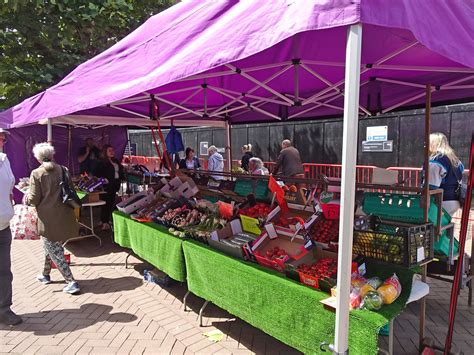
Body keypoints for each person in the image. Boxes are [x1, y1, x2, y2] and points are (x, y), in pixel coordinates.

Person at [27, 143, 80, 295]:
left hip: (47, 218)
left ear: (38, 158)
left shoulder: (36, 173)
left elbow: (34, 199)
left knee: (55, 250)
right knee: (49, 246)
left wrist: (26, 199)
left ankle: (71, 282)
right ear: (52, 155)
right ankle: (45, 274)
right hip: (64, 214)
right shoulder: (64, 170)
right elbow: (70, 189)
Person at [0, 129, 22, 325]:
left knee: (4, 271)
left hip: (3, 226)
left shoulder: (4, 159)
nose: (1, 140)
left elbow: (8, 186)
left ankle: (4, 309)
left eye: (2, 138)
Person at [428, 132, 464, 215]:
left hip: (442, 201)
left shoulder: (436, 160)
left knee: (433, 226)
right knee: (443, 226)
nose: (425, 146)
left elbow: (431, 186)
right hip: (455, 200)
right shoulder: (455, 160)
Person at [94, 145, 124, 230]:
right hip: (106, 186)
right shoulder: (101, 162)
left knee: (110, 203)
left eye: (112, 150)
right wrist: (103, 179)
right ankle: (105, 222)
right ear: (105, 152)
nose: (112, 152)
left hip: (115, 184)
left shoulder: (115, 160)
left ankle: (104, 220)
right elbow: (96, 174)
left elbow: (119, 170)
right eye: (109, 150)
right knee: (105, 204)